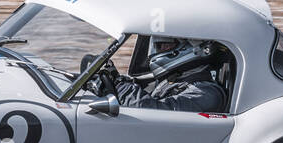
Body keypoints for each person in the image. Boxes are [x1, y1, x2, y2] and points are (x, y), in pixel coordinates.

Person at [90, 37, 228, 113]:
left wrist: (120, 86)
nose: (159, 50)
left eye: (165, 45)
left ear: (191, 47)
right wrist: (114, 79)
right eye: (158, 46)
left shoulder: (206, 93)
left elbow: (151, 112)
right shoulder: (174, 79)